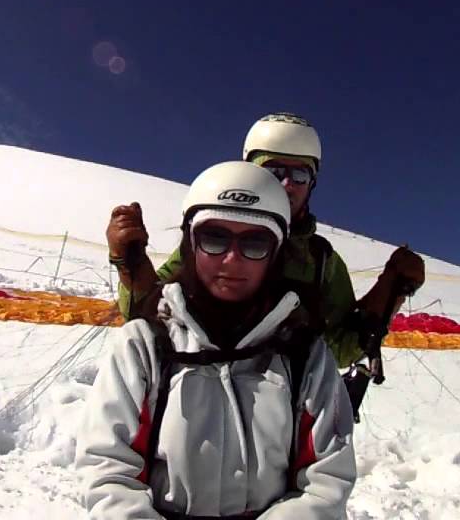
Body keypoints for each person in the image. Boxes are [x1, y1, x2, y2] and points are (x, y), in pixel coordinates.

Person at [78, 161, 357, 518]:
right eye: (214, 238)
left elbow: (326, 482)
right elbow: (108, 471)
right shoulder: (146, 344)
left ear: (277, 253)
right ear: (190, 242)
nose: (232, 259)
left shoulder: (305, 355)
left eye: (254, 243)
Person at [109, 113, 425, 371]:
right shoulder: (208, 239)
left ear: (312, 184)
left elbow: (339, 351)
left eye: (299, 175)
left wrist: (391, 289)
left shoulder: (322, 263)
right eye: (274, 170)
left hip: (285, 409)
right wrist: (130, 263)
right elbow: (150, 314)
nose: (286, 185)